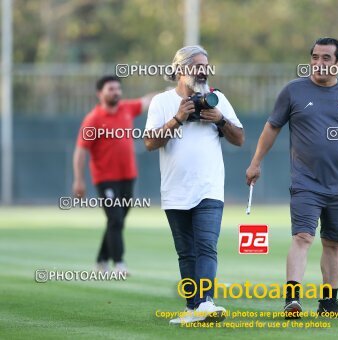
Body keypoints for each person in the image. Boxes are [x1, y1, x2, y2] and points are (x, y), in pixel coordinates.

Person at [246, 37, 338, 318]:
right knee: (303, 237)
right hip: (305, 182)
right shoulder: (294, 91)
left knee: (332, 243)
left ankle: (329, 303)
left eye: (326, 58)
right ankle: (293, 299)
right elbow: (271, 128)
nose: (318, 63)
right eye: (315, 57)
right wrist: (255, 162)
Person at [144, 45, 244, 324]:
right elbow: (150, 142)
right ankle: (193, 308)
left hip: (209, 187)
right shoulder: (162, 102)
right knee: (186, 252)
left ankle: (206, 303)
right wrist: (178, 118)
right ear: (179, 69)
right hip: (175, 189)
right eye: (197, 65)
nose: (203, 71)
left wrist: (220, 120)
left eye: (206, 66)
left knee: (206, 245)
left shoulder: (217, 99)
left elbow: (239, 138)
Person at [73, 75, 154, 274]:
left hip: (128, 176)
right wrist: (79, 180)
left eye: (118, 88)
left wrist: (175, 90)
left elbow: (148, 100)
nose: (116, 92)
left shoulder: (127, 108)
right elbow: (80, 151)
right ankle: (118, 263)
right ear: (100, 93)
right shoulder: (93, 119)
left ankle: (101, 260)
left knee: (116, 220)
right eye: (111, 89)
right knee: (116, 219)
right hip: (105, 179)